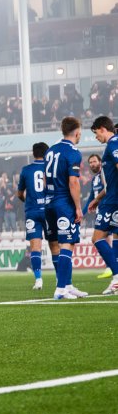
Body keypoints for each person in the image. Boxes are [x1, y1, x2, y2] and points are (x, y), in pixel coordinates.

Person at [43, 116, 89, 299]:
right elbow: (73, 183)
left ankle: (68, 285)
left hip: (49, 202)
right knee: (67, 244)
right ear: (77, 132)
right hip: (63, 203)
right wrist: (78, 207)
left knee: (60, 243)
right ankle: (60, 288)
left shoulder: (50, 150)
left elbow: (46, 180)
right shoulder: (73, 152)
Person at [88, 117, 118, 294]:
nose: (96, 137)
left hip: (113, 201)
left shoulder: (113, 144)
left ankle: (116, 278)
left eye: (96, 133)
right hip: (110, 197)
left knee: (97, 238)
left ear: (102, 129)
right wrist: (97, 198)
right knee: (116, 237)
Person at [15, 142, 51, 290]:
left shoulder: (26, 170)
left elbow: (19, 194)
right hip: (49, 211)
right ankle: (62, 283)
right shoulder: (49, 168)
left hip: (32, 211)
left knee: (35, 247)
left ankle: (38, 280)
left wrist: (28, 201)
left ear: (33, 153)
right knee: (55, 245)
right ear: (47, 153)